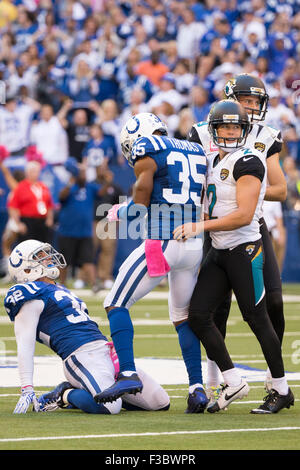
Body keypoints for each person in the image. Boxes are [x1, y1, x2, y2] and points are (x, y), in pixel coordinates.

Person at [174, 100, 294, 414]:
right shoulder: (211, 160)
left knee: (257, 317)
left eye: (235, 126)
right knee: (199, 316)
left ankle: (281, 388)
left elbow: (242, 215)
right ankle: (233, 380)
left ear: (243, 130)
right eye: (224, 126)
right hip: (219, 249)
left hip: (245, 250)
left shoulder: (249, 160)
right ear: (212, 130)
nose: (230, 131)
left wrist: (199, 225)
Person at [93, 112, 208, 413]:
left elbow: (142, 196)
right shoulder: (194, 149)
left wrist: (121, 212)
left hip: (164, 240)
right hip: (193, 242)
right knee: (182, 317)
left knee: (115, 302)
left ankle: (128, 373)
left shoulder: (149, 147)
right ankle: (197, 388)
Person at [4, 239, 170, 415]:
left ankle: (90, 390)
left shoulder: (59, 288)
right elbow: (25, 343)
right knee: (110, 407)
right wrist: (27, 388)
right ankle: (64, 394)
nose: (48, 258)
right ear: (26, 269)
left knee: (160, 402)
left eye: (46, 253)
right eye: (40, 256)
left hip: (106, 350)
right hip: (79, 356)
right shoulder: (27, 293)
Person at [7, 160, 54, 244]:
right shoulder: (21, 187)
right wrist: (19, 223)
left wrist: (50, 218)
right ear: (27, 172)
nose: (36, 173)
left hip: (42, 221)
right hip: (27, 221)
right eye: (33, 171)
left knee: (43, 247)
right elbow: (12, 207)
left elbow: (49, 204)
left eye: (37, 171)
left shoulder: (43, 186)